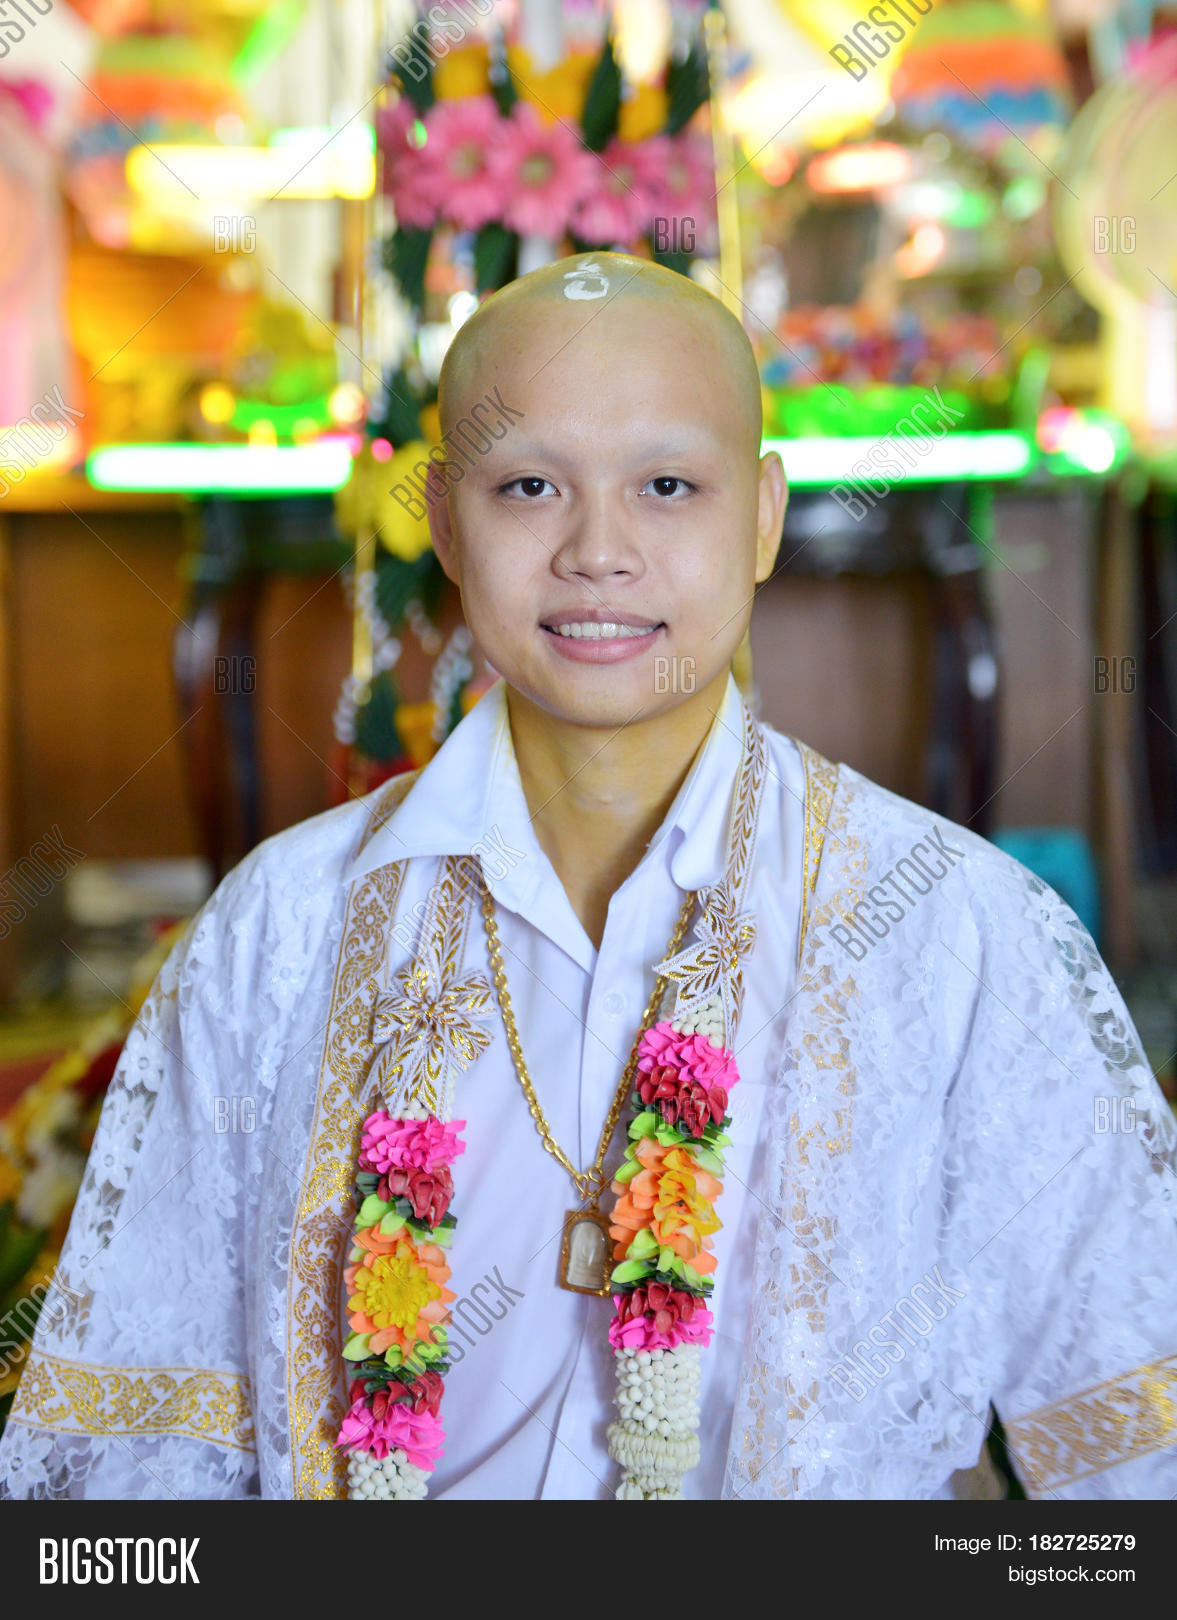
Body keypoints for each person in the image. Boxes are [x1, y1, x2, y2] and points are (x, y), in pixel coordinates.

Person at [2, 252, 1174, 1501]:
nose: (599, 552)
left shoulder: (956, 935)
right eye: (528, 487)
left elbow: (1128, 1453)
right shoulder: (282, 934)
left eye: (668, 484)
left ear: (764, 518)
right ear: (446, 523)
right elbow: (137, 1465)